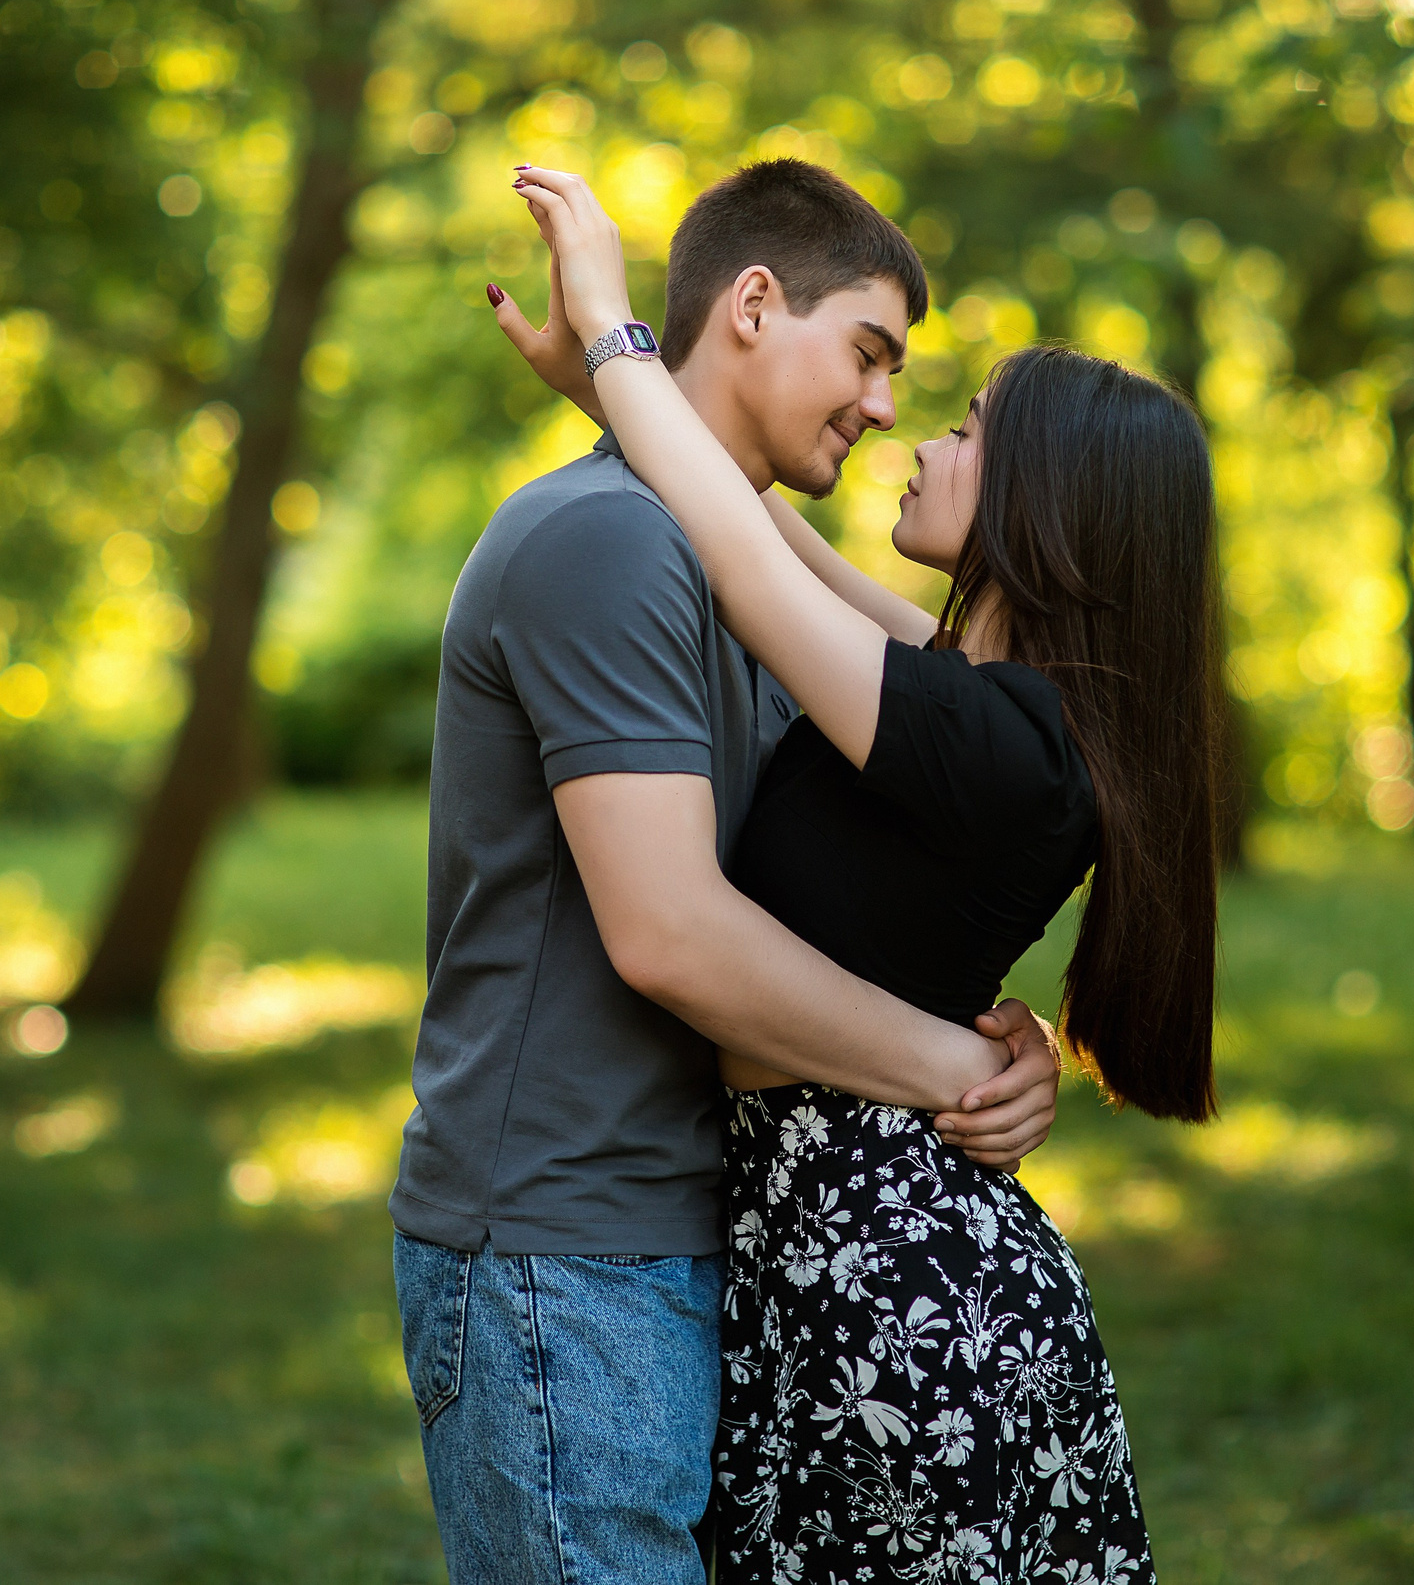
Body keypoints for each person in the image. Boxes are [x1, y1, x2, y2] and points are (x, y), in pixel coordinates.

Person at [500, 162, 1222, 1583]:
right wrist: (621, 398)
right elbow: (771, 531)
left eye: (964, 428)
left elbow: (752, 567)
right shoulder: (991, 704)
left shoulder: (984, 735)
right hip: (846, 1240)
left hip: (887, 1278)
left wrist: (613, 327)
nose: (916, 437)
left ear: (1046, 497)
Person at [391, 159, 1072, 1585]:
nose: (886, 406)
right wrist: (952, 1067)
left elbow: (929, 744)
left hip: (711, 1238)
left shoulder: (735, 576)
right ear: (754, 304)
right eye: (870, 353)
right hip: (565, 1258)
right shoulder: (607, 545)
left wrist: (1012, 1050)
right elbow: (676, 938)